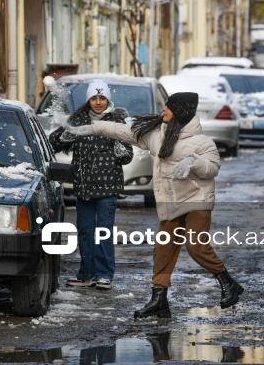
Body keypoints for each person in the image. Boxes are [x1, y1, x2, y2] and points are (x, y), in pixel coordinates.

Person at [66, 92, 244, 317]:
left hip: (197, 201)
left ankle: (228, 283)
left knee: (196, 245)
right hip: (171, 203)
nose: (164, 110)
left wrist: (193, 162)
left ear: (180, 112)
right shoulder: (156, 135)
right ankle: (159, 300)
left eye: (168, 107)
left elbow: (212, 168)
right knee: (163, 251)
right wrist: (94, 128)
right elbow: (124, 131)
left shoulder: (203, 142)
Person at [49, 80, 133, 290]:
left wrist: (121, 150)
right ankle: (86, 273)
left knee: (103, 231)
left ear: (108, 99)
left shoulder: (116, 121)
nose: (98, 102)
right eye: (94, 98)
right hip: (84, 186)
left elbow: (128, 156)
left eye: (102, 98)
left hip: (107, 188)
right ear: (88, 100)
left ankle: (104, 275)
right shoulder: (78, 120)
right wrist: (66, 135)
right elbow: (54, 142)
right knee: (86, 231)